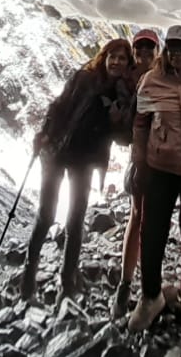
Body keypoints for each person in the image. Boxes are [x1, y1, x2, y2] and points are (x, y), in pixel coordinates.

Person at [21, 37, 136, 300]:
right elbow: (59, 106)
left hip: (85, 160)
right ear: (105, 57)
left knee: (76, 219)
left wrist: (117, 120)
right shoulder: (83, 78)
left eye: (122, 59)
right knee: (46, 215)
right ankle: (28, 278)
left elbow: (123, 138)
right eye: (113, 57)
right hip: (56, 153)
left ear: (127, 64)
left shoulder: (122, 95)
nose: (116, 62)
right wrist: (44, 134)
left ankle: (68, 280)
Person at [127, 25, 181, 332]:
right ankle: (150, 296)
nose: (178, 56)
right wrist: (138, 163)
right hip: (160, 168)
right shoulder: (152, 81)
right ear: (166, 52)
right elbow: (141, 125)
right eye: (173, 50)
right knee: (152, 233)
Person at [112, 28, 160, 319]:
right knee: (138, 216)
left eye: (149, 49)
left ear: (157, 51)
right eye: (139, 50)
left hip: (171, 156)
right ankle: (126, 285)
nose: (144, 54)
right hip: (142, 158)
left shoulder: (166, 76)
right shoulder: (126, 82)